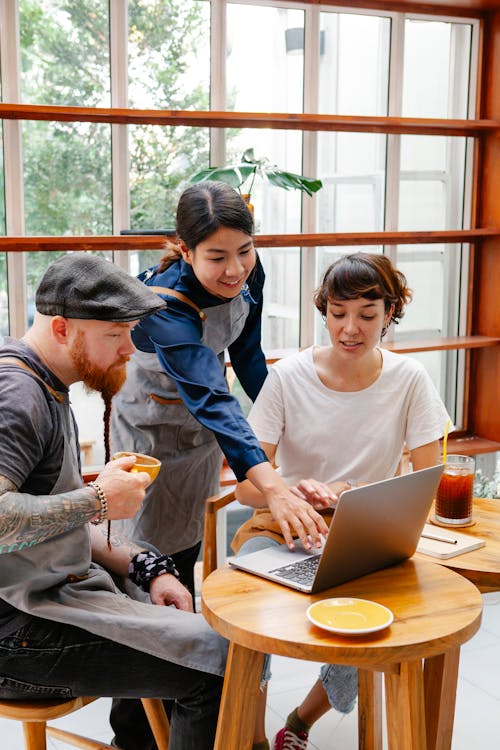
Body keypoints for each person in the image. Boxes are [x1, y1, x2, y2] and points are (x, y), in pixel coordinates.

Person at [110, 181, 328, 749]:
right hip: (149, 441)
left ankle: (186, 715)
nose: (235, 269)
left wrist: (286, 429)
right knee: (144, 581)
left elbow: (248, 359)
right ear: (184, 250)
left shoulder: (248, 271)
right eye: (216, 257)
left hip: (203, 439)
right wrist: (271, 484)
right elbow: (212, 396)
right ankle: (133, 735)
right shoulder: (161, 308)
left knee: (183, 564)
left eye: (244, 251)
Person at [0, 253, 229, 750]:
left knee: (210, 640)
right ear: (62, 329)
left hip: (43, 601)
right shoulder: (18, 394)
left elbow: (45, 525)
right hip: (15, 634)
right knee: (216, 663)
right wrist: (98, 499)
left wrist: (148, 567)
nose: (131, 348)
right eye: (115, 333)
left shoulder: (46, 382)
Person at [232, 252, 451, 750]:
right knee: (243, 614)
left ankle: (301, 721)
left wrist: (360, 496)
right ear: (324, 311)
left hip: (365, 541)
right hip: (280, 531)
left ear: (390, 313)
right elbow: (245, 487)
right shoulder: (287, 377)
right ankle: (249, 734)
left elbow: (428, 480)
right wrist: (288, 488)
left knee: (382, 623)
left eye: (367, 316)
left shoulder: (410, 379)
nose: (350, 329)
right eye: (337, 313)